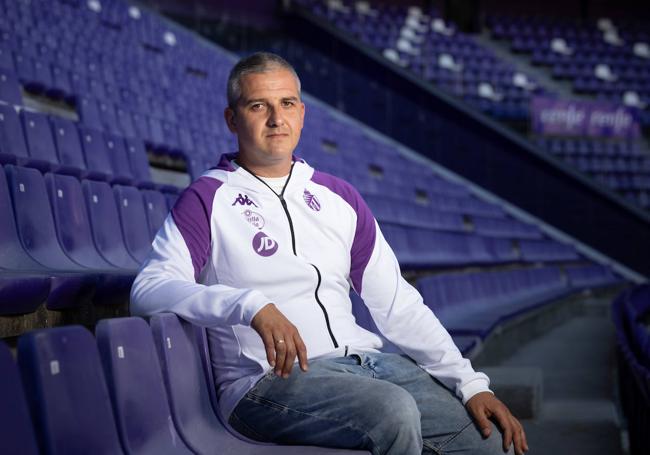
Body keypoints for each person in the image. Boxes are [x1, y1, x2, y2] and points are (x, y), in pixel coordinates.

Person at [131, 52, 528, 455]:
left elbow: (398, 304)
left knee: (489, 440)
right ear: (232, 120)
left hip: (368, 366)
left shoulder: (339, 197)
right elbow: (149, 288)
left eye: (286, 104)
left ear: (301, 114)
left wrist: (471, 384)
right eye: (258, 106)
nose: (275, 118)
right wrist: (250, 305)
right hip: (265, 384)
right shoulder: (208, 197)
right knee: (392, 411)